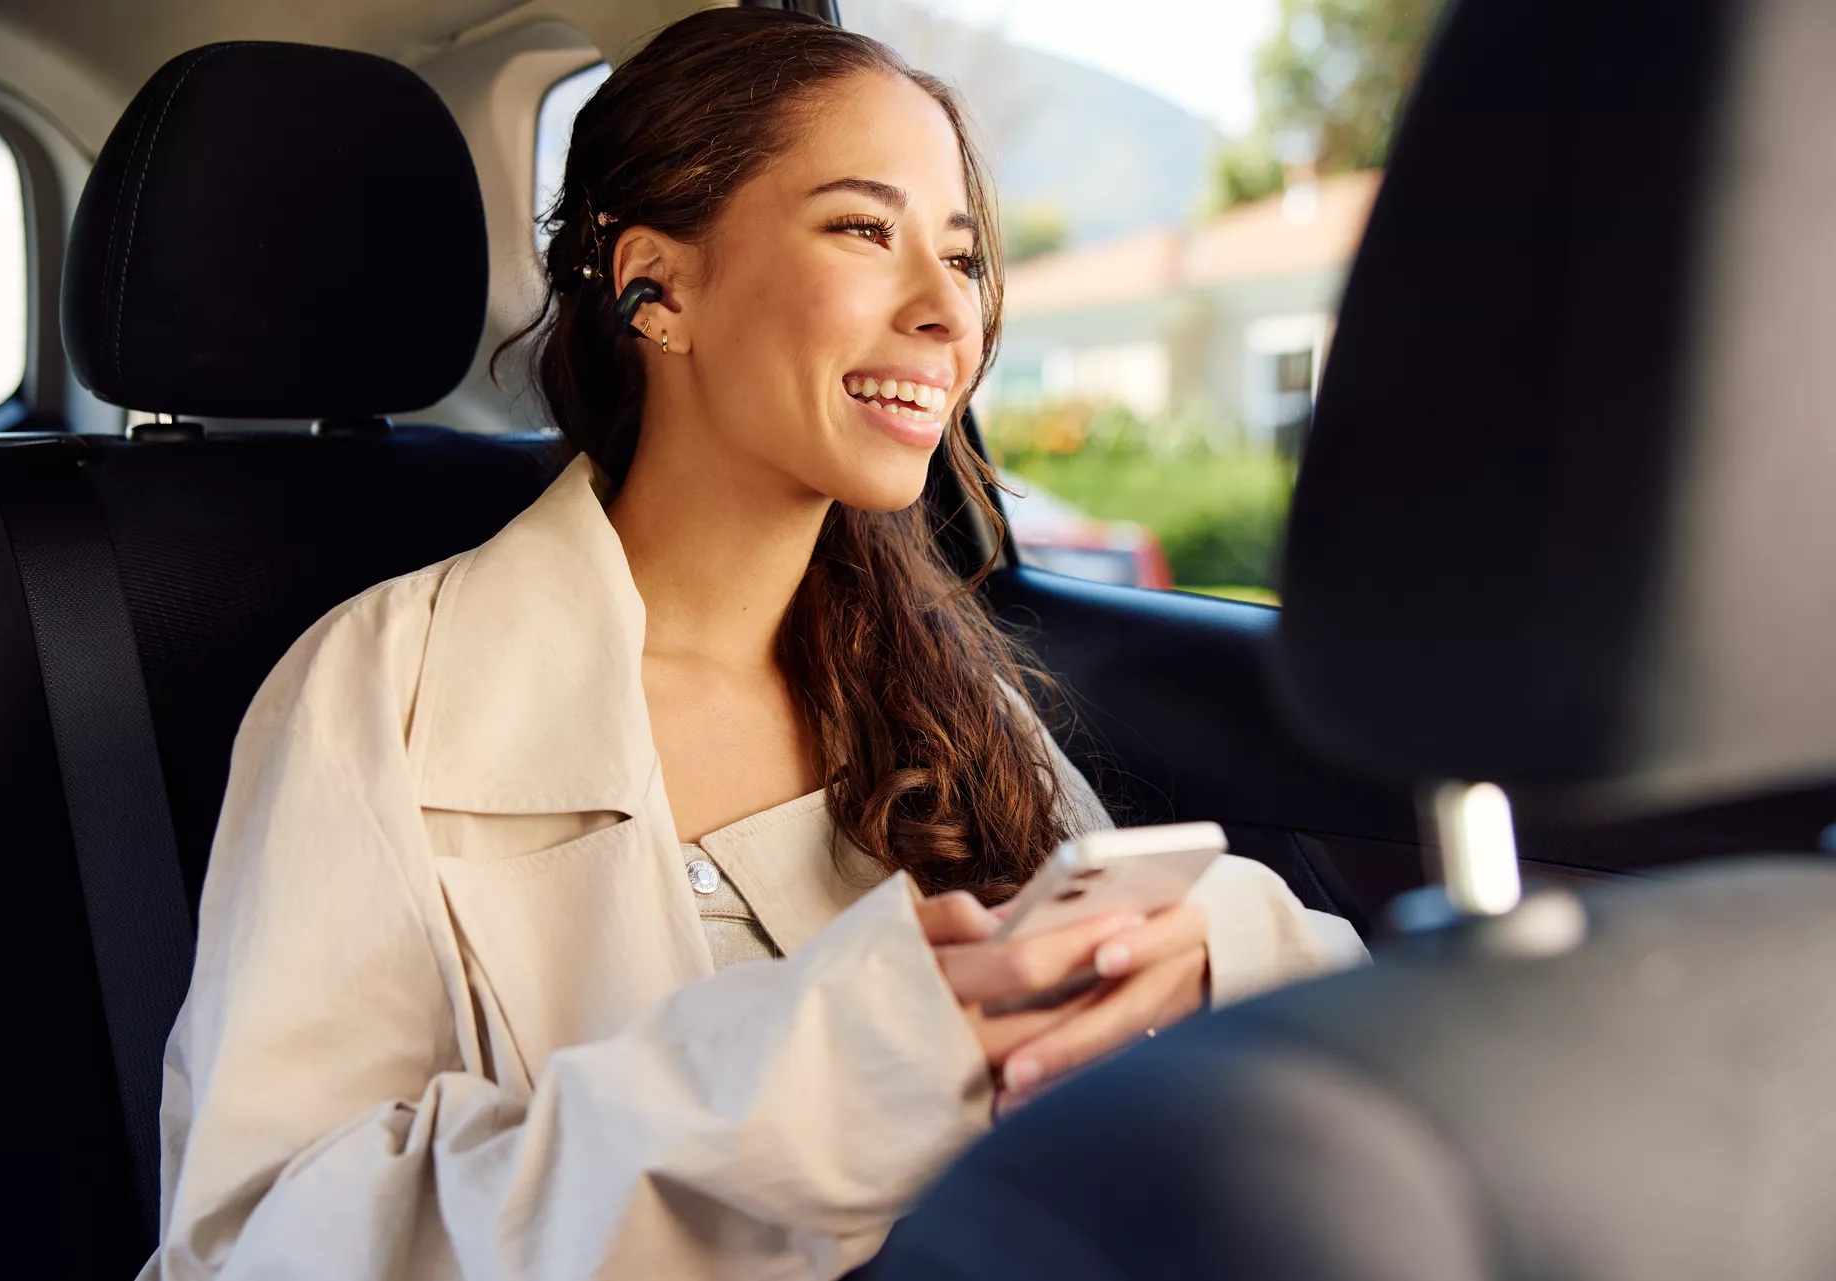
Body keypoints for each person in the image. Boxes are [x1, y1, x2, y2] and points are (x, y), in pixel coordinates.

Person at [144, 9, 1363, 1279]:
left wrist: (1205, 947)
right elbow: (261, 1245)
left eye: (961, 254)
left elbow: (1267, 992)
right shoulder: (378, 691)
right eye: (863, 229)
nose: (951, 311)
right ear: (654, 285)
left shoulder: (944, 679)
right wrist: (805, 1085)